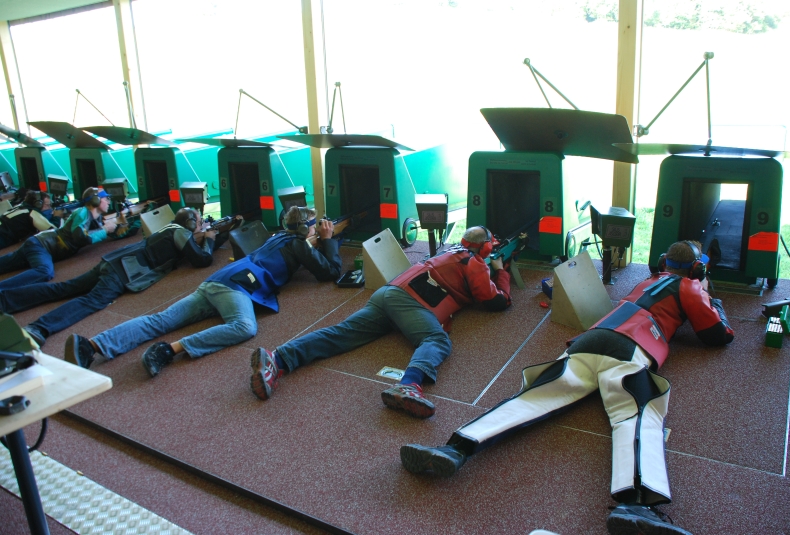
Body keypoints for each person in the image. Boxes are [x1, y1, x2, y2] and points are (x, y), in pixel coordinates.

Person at [399, 241, 734, 535]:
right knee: (636, 416)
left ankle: (454, 449)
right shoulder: (690, 287)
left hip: (589, 340)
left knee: (532, 398)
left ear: (663, 262)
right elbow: (716, 336)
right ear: (696, 268)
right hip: (632, 347)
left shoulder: (647, 281)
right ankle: (636, 505)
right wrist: (713, 301)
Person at [249, 226, 512, 418]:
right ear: (486, 247)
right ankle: (409, 385)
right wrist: (501, 272)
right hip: (411, 302)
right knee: (436, 340)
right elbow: (495, 301)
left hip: (387, 294)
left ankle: (278, 359)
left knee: (342, 333)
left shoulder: (451, 251)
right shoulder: (474, 262)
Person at [64, 206, 342, 376]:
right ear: (304, 229)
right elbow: (330, 272)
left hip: (217, 280)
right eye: (314, 224)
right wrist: (329, 240)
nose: (318, 227)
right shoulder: (298, 243)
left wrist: (317, 242)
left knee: (160, 319)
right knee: (244, 327)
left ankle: (91, 345)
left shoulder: (278, 236)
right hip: (238, 287)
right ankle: (169, 350)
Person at [0, 207, 218, 348]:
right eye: (199, 222)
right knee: (92, 301)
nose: (200, 226)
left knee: (64, 288)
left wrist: (204, 237)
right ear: (190, 224)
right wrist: (209, 239)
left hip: (113, 260)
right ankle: (39, 327)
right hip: (123, 271)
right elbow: (202, 260)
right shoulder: (181, 232)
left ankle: (6, 300)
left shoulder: (170, 228)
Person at [0, 187, 127, 290]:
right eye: (106, 198)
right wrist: (105, 230)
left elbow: (104, 232)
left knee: (7, 263)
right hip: (41, 246)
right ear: (96, 200)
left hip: (37, 244)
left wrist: (120, 222)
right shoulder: (82, 213)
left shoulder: (94, 217)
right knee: (44, 271)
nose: (109, 201)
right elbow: (81, 237)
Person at [0, 190, 64, 250]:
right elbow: (52, 230)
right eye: (47, 205)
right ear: (38, 204)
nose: (50, 208)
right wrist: (57, 216)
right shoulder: (32, 212)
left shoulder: (21, 207)